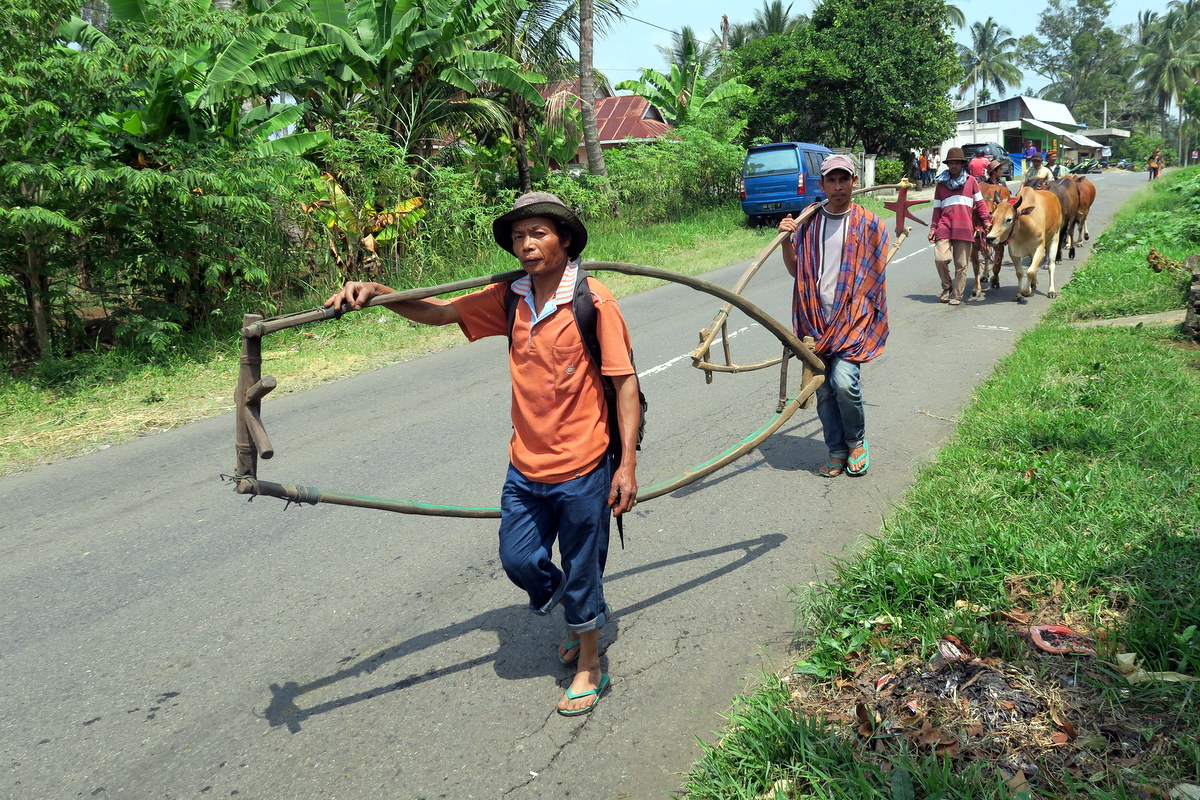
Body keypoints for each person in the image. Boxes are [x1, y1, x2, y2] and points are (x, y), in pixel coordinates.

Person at [324, 192, 639, 717]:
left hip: (585, 465)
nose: (526, 244)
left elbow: (625, 384)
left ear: (565, 240)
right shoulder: (510, 297)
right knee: (519, 560)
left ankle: (589, 662)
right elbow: (440, 312)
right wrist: (380, 293)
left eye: (538, 233)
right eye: (518, 236)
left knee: (583, 565)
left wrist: (625, 466)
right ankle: (578, 609)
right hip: (526, 465)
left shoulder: (594, 302)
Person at [777, 155, 888, 479]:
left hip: (852, 320)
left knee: (843, 382)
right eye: (831, 180)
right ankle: (836, 450)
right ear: (822, 184)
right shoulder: (808, 221)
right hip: (815, 320)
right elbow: (796, 271)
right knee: (823, 389)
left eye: (843, 179)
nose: (838, 187)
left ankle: (856, 443)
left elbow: (873, 278)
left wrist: (861, 310)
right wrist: (785, 241)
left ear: (854, 182)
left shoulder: (868, 223)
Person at [929, 146, 993, 306]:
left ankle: (956, 294)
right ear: (947, 165)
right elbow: (937, 209)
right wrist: (933, 228)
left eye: (957, 162)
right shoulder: (941, 184)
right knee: (940, 258)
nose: (954, 166)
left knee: (961, 264)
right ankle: (946, 286)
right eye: (951, 163)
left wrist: (986, 221)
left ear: (962, 164)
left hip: (964, 227)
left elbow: (980, 204)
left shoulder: (971, 181)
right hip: (944, 225)